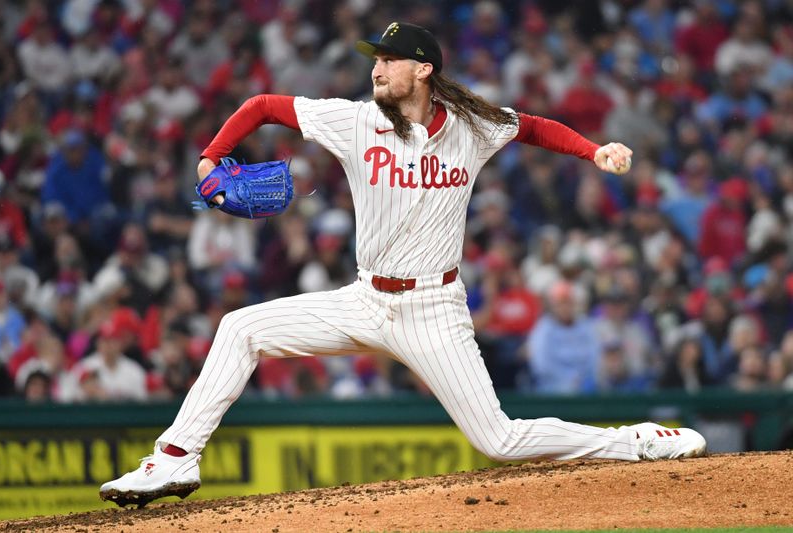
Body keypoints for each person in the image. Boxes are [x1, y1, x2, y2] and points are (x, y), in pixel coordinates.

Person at [100, 22, 706, 507]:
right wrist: (211, 158)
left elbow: (535, 127)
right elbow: (262, 105)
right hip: (365, 300)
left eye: (388, 58)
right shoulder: (357, 120)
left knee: (497, 440)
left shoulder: (472, 126)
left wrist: (593, 149)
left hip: (434, 308)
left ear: (423, 69)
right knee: (241, 327)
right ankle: (174, 460)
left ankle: (633, 441)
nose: (376, 67)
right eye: (375, 57)